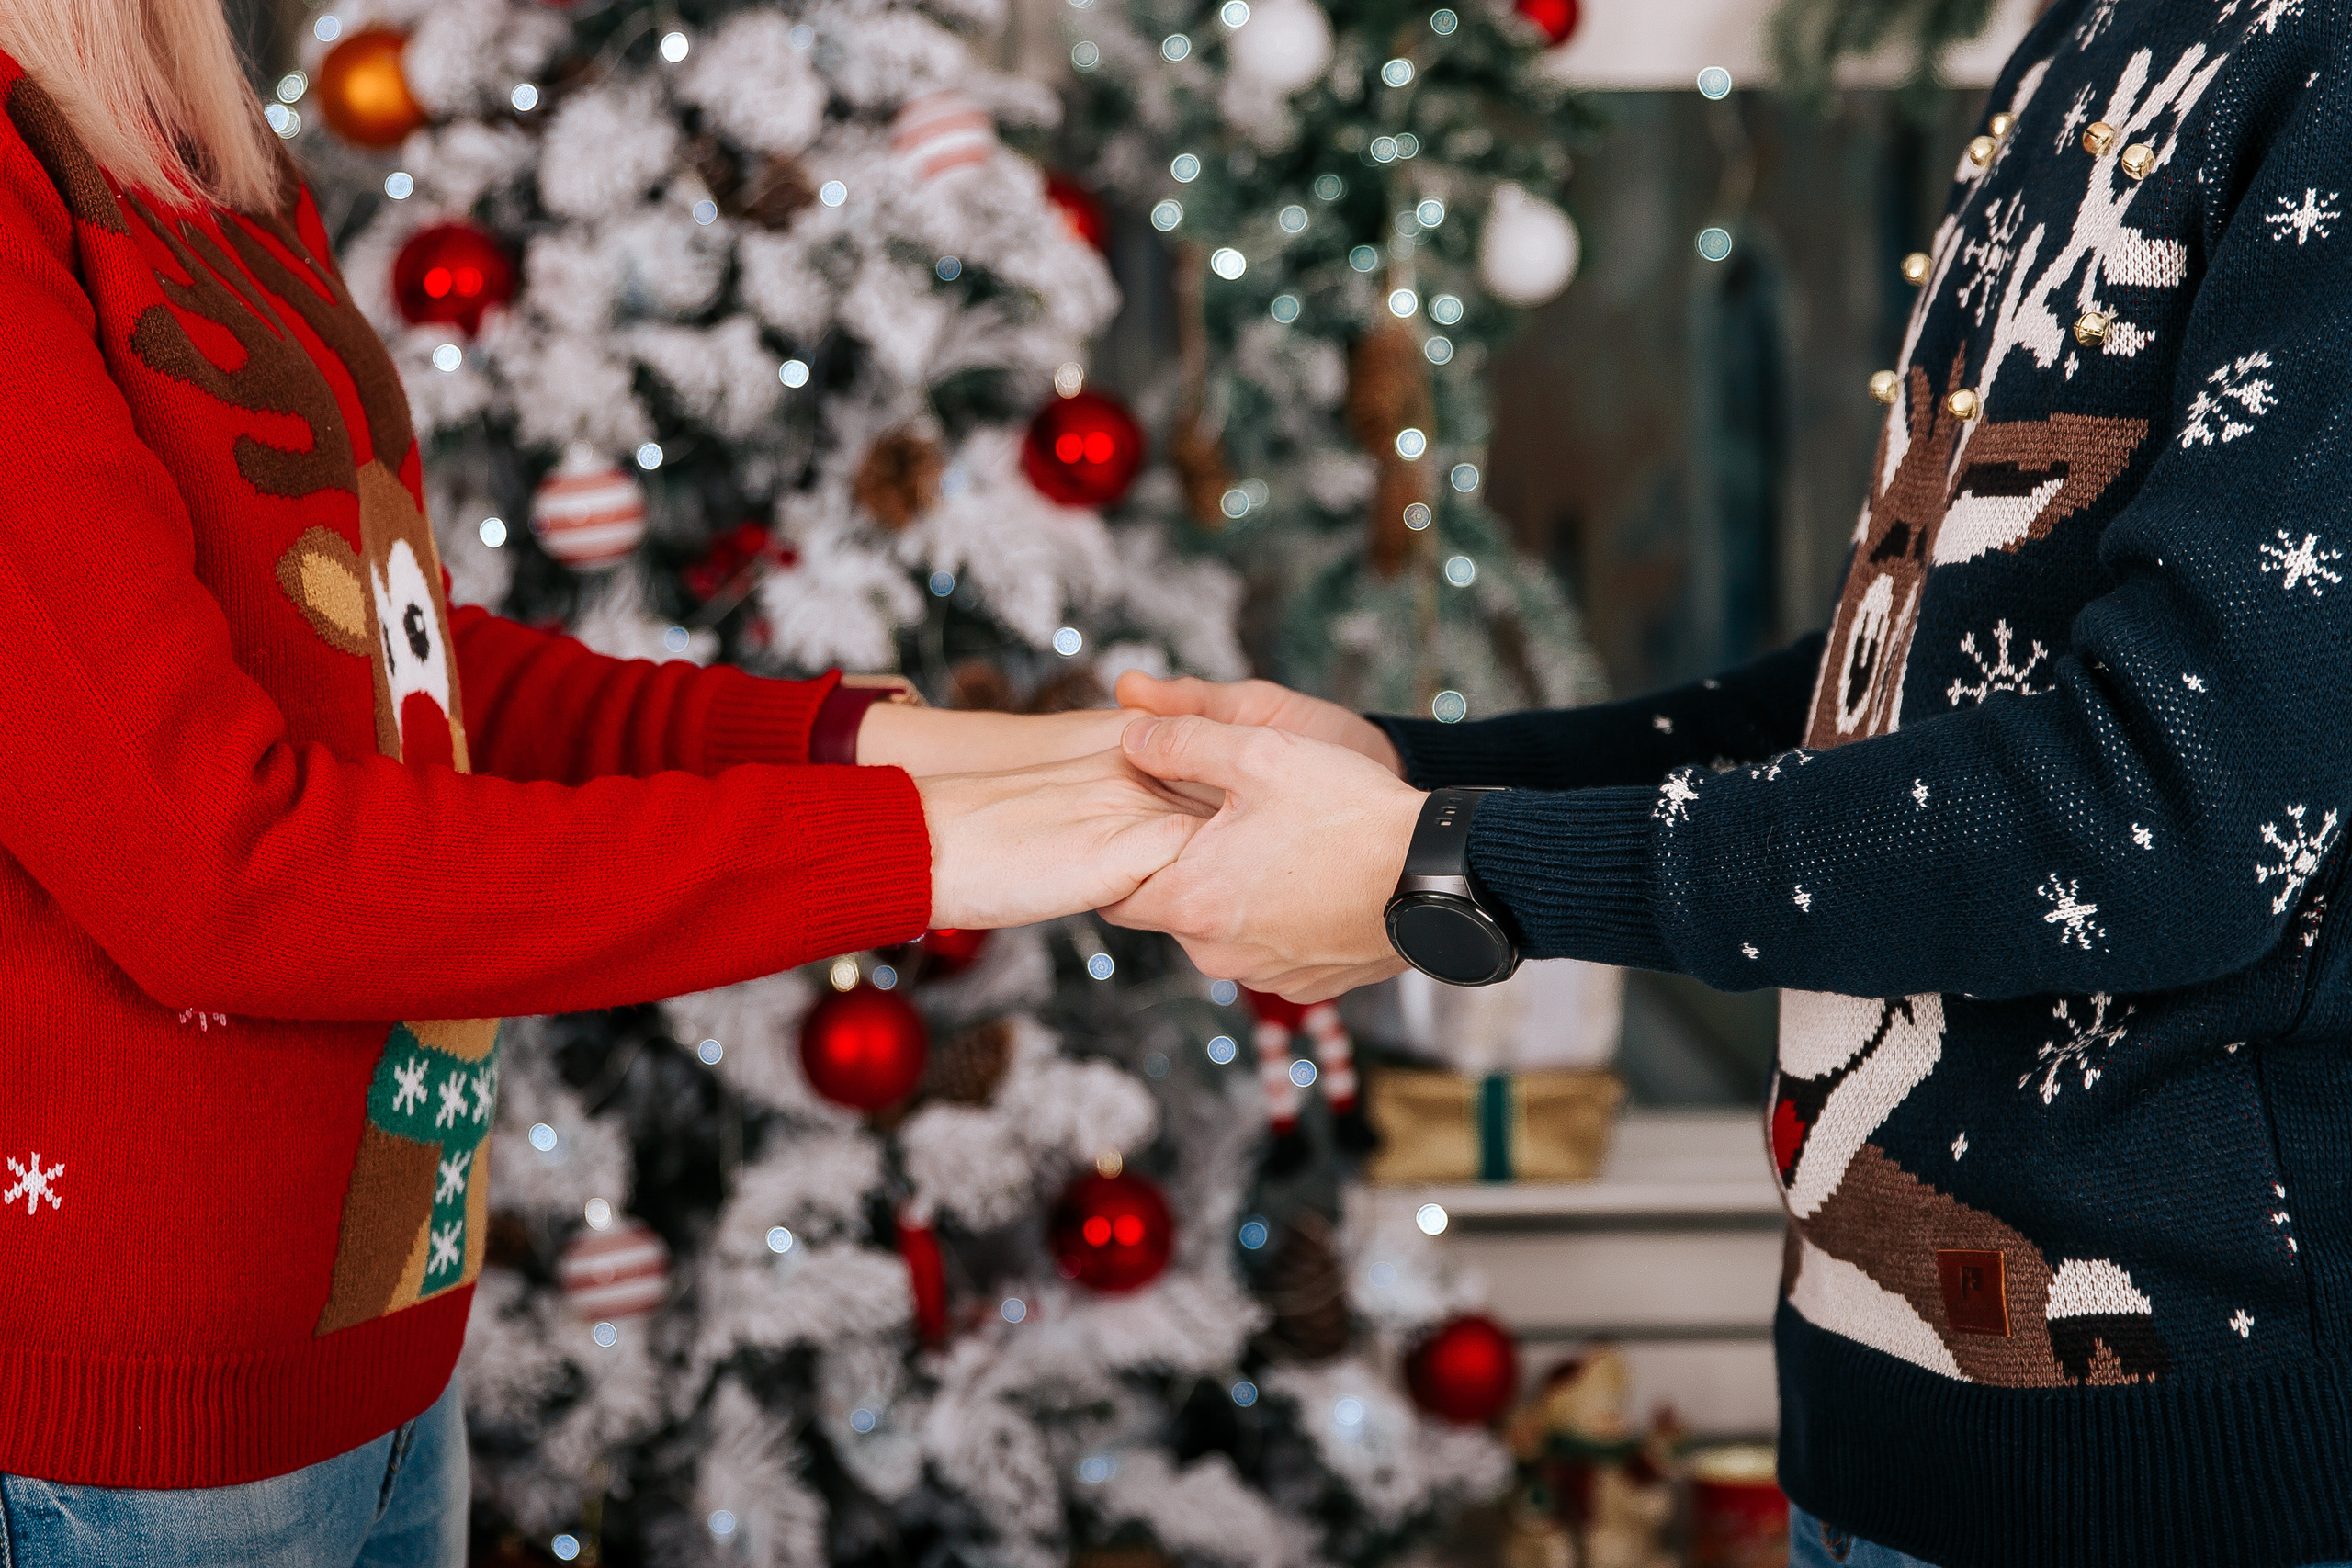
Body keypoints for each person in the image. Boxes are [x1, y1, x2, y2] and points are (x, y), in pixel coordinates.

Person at [1111, 5, 2352, 1566]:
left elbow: (2161, 809)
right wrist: (1414, 775)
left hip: (2208, 1489)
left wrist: (1460, 867)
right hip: (1882, 1432)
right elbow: (1898, 683)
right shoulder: (2090, 36)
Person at [0, 4, 1204, 1562]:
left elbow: (390, 664)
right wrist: (910, 847)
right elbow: (221, 866)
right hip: (126, 1448)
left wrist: (874, 745)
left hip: (371, 1366)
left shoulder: (171, 131)